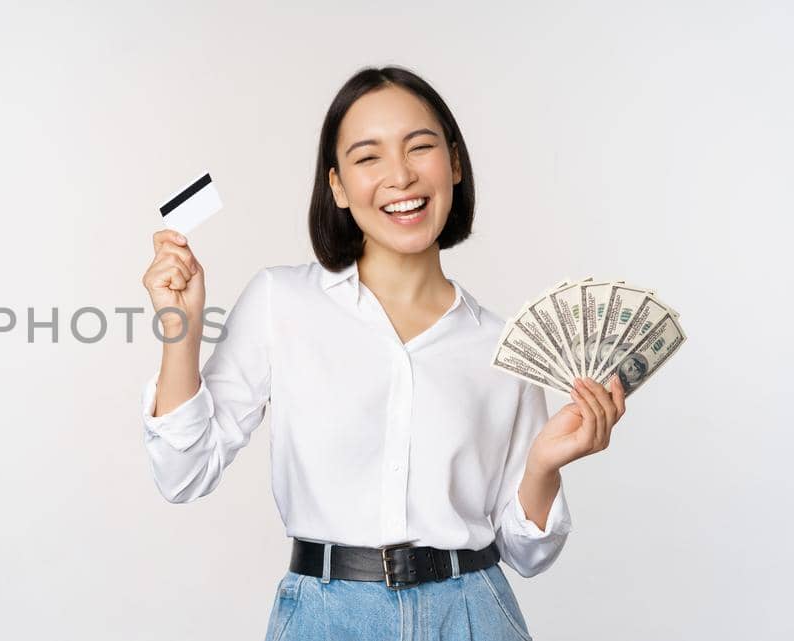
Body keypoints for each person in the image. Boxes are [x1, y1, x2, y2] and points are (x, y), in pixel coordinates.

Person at [137, 66, 628, 641]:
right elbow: (182, 473)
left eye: (420, 147)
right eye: (368, 157)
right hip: (325, 618)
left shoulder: (503, 347)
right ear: (338, 186)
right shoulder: (281, 300)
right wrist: (181, 330)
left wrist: (544, 463)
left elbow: (528, 554)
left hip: (473, 613)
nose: (400, 175)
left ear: (455, 164)